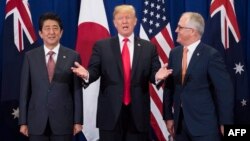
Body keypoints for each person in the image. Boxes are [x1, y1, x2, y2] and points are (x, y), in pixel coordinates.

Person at [71, 4, 172, 141]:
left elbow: (154, 74)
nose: (124, 21)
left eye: (128, 17)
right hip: (110, 114)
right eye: (120, 18)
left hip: (138, 115)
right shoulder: (102, 46)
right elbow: (94, 71)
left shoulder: (149, 47)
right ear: (114, 22)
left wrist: (157, 76)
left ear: (135, 21)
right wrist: (87, 74)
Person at [163, 12, 234, 141]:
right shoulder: (174, 53)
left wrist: (226, 122)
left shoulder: (211, 55)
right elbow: (169, 87)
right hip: (180, 125)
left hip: (204, 125)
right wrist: (168, 116)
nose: (176, 30)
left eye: (180, 27)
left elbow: (224, 90)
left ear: (192, 31)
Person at [19, 12, 83, 141]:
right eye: (47, 28)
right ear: (41, 33)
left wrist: (78, 120)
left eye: (55, 28)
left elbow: (77, 91)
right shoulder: (30, 57)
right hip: (36, 120)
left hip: (63, 120)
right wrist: (23, 121)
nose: (51, 32)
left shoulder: (73, 56)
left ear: (61, 32)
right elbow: (24, 91)